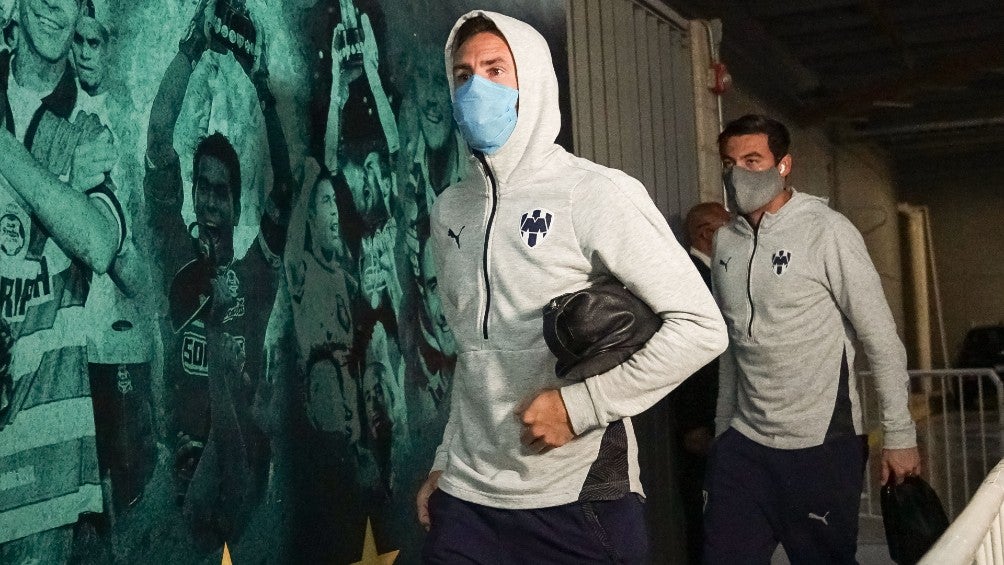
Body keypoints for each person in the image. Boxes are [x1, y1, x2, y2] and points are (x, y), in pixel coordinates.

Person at [416, 12, 727, 564]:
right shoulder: (450, 210)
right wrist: (446, 461)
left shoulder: (593, 192)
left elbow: (701, 328)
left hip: (576, 497)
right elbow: (474, 354)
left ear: (533, 79)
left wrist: (581, 406)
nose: (476, 88)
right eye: (463, 75)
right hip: (469, 496)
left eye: (495, 69)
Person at [704, 114, 922, 564]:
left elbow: (881, 337)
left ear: (783, 165)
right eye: (729, 163)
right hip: (744, 446)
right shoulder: (725, 241)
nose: (738, 174)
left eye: (752, 160)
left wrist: (900, 435)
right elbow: (732, 345)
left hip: (821, 444)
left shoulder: (828, 231)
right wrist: (723, 433)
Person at [144, 0, 292, 549]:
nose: (208, 201)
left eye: (220, 191)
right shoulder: (176, 257)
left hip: (242, 485)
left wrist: (261, 86)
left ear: (235, 202)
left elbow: (285, 187)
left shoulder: (255, 275)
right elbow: (158, 140)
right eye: (201, 187)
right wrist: (191, 50)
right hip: (182, 478)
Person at [0, 0, 126, 561]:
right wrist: (61, 188)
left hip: (42, 465)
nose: (54, 5)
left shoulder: (88, 125)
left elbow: (98, 243)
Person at [669, 201, 730, 564]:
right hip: (701, 424)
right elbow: (689, 356)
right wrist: (693, 424)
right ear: (707, 233)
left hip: (715, 421)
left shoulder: (712, 276)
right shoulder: (694, 280)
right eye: (729, 228)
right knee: (707, 521)